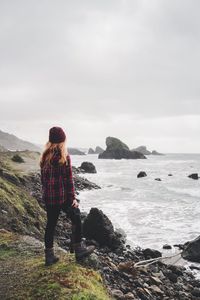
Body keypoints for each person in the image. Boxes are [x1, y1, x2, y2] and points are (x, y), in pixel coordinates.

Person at [40, 126, 95, 266]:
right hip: (62, 197)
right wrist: (73, 199)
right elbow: (68, 180)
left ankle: (49, 256)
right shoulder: (64, 156)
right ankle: (78, 249)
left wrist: (46, 195)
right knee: (76, 216)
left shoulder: (44, 157)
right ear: (62, 140)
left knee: (51, 225)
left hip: (49, 198)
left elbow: (43, 181)